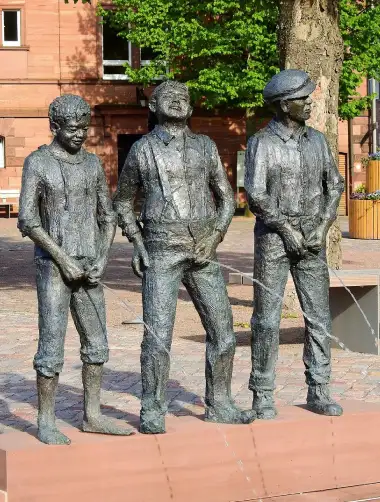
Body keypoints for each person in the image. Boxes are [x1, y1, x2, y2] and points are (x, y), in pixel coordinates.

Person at [114, 80, 255, 434]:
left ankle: (220, 402)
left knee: (224, 333)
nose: (178, 102)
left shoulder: (206, 147)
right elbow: (122, 202)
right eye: (169, 97)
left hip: (204, 250)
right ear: (153, 106)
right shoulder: (143, 150)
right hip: (161, 251)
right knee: (158, 336)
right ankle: (152, 407)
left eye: (184, 98)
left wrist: (216, 235)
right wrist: (137, 243)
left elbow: (226, 199)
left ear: (191, 108)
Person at [18, 94, 132, 444]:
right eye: (72, 128)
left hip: (90, 266)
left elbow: (107, 214)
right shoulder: (37, 163)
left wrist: (102, 257)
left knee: (97, 343)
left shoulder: (93, 164)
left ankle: (93, 414)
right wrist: (62, 258)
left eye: (84, 127)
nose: (80, 134)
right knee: (51, 345)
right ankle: (46, 419)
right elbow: (28, 219)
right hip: (54, 267)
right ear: (55, 127)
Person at [244, 69, 345, 419]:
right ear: (285, 106)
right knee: (267, 320)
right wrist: (287, 230)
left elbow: (334, 185)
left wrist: (322, 226)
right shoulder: (262, 143)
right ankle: (262, 393)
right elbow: (255, 193)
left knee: (318, 317)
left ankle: (319, 389)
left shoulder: (318, 141)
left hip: (313, 237)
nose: (309, 103)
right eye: (303, 99)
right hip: (274, 238)